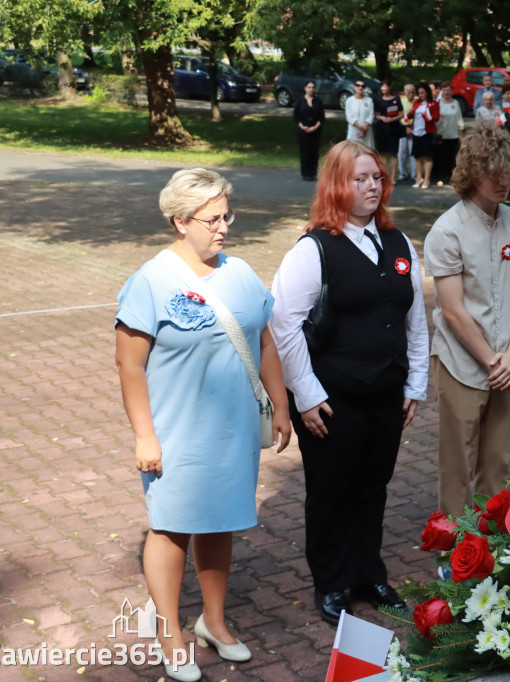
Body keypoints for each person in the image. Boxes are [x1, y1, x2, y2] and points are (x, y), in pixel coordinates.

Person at [116, 169, 292, 681]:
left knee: (220, 521)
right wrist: (144, 434)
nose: (223, 227)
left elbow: (264, 342)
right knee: (170, 527)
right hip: (174, 432)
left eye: (226, 216)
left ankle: (212, 621)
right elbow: (129, 364)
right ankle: (169, 630)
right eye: (211, 219)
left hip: (232, 430)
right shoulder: (151, 280)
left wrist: (280, 405)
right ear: (179, 221)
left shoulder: (240, 273)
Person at [270, 141, 430, 626]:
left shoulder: (399, 244)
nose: (371, 187)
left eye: (377, 178)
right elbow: (283, 324)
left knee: (373, 486)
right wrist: (307, 394)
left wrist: (415, 383)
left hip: (386, 393)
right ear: (337, 186)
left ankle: (368, 575)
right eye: (359, 179)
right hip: (331, 400)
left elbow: (416, 320)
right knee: (330, 490)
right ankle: (332, 581)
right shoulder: (313, 249)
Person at [424, 125, 510, 525]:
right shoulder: (447, 229)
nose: (505, 181)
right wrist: (492, 359)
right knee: (456, 466)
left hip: (507, 364)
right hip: (461, 364)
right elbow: (451, 310)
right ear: (472, 172)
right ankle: (450, 551)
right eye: (495, 172)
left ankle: (493, 552)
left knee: (496, 465)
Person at [433, 83, 465, 186]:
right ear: (441, 91)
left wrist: (461, 135)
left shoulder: (456, 103)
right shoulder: (437, 103)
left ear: (451, 91)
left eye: (448, 90)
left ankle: (451, 177)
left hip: (453, 135)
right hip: (440, 135)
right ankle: (440, 178)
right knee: (440, 157)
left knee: (452, 158)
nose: (446, 92)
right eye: (444, 90)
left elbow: (459, 120)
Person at [293, 81, 325, 182]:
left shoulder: (318, 101)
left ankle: (313, 173)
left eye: (313, 87)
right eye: (309, 87)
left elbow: (321, 117)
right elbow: (296, 117)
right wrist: (302, 126)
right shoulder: (300, 101)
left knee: (314, 152)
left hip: (315, 131)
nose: (311, 89)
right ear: (305, 88)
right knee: (305, 152)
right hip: (303, 131)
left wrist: (315, 127)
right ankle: (305, 173)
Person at [411, 82, 440, 189]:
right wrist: (410, 113)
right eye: (419, 93)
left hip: (427, 132)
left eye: (423, 93)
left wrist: (426, 116)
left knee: (428, 156)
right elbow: (410, 116)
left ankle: (426, 179)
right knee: (417, 156)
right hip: (416, 132)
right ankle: (419, 178)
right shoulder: (416, 102)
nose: (421, 95)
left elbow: (436, 118)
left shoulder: (434, 103)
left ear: (427, 92)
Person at [374, 81, 405, 179]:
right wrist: (382, 118)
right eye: (382, 87)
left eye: (385, 86)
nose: (383, 89)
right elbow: (375, 115)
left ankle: (392, 176)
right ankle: (384, 175)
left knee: (393, 152)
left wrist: (393, 119)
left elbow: (402, 113)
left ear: (390, 87)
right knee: (382, 152)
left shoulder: (396, 99)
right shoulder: (378, 100)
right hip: (382, 128)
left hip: (394, 128)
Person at [345, 79, 374, 147]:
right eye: (358, 85)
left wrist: (365, 128)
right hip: (354, 129)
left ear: (364, 88)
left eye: (362, 86)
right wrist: (361, 128)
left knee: (367, 150)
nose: (360, 87)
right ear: (354, 87)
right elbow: (349, 117)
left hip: (367, 130)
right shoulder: (349, 100)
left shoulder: (369, 100)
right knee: (352, 150)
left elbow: (371, 115)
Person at [398, 84, 417, 182]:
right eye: (409, 92)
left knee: (413, 153)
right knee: (402, 152)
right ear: (405, 92)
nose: (411, 94)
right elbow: (399, 116)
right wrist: (404, 127)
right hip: (403, 128)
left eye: (413, 92)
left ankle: (415, 175)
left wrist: (413, 128)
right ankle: (403, 173)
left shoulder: (417, 101)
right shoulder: (401, 101)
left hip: (414, 128)